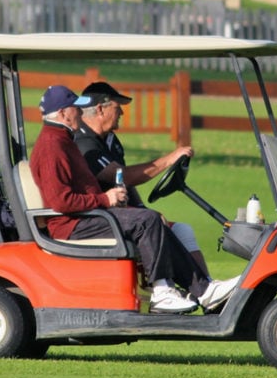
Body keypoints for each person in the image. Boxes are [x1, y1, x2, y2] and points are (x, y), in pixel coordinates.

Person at [29, 85, 240, 314]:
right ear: (62, 113)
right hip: (72, 225)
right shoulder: (53, 145)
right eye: (75, 110)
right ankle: (162, 293)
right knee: (146, 221)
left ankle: (204, 290)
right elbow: (61, 202)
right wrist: (104, 199)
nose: (80, 114)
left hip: (85, 217)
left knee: (148, 218)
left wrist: (115, 202)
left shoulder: (62, 140)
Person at [75, 81, 211, 278]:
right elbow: (123, 174)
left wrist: (142, 209)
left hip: (120, 214)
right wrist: (167, 160)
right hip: (98, 218)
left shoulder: (109, 140)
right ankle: (170, 290)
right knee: (157, 226)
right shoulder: (84, 144)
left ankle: (206, 287)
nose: (121, 113)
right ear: (100, 109)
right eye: (117, 107)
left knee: (182, 230)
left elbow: (123, 183)